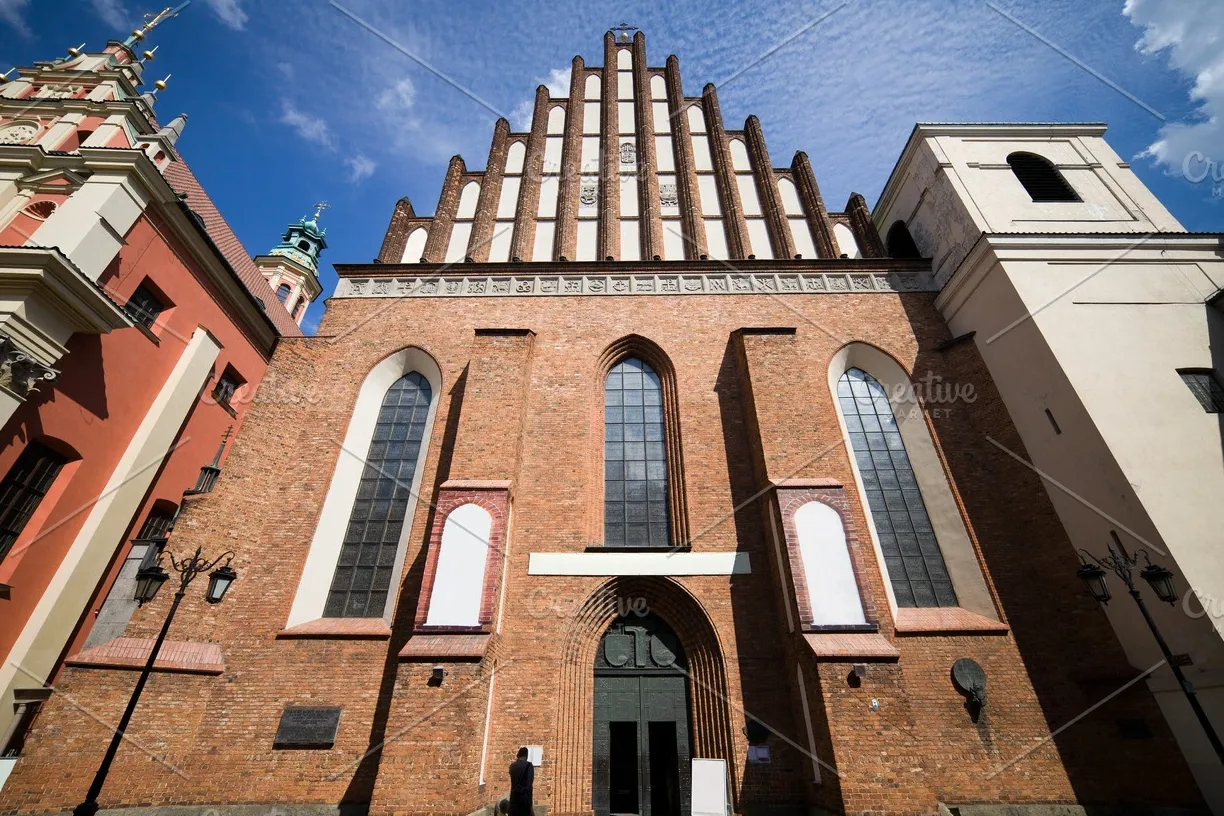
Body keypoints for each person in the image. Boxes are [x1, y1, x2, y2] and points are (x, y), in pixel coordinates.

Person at [508, 746, 534, 816]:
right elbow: (529, 786)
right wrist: (530, 805)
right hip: (524, 800)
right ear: (526, 755)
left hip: (514, 798)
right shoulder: (529, 765)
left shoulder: (512, 766)